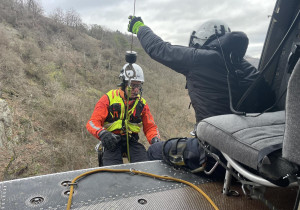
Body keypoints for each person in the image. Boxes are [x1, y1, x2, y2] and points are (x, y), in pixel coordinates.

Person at [127, 17, 260, 134]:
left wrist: (139, 27)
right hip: (250, 136)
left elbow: (159, 49)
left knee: (156, 150)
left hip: (215, 141)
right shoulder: (245, 65)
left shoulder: (199, 58)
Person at [86, 63, 160, 166]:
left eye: (138, 86)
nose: (136, 90)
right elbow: (92, 122)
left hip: (132, 140)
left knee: (145, 166)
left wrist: (155, 139)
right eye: (133, 85)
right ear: (124, 84)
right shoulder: (108, 98)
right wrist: (102, 134)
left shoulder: (142, 103)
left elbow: (150, 126)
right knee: (111, 171)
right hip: (112, 141)